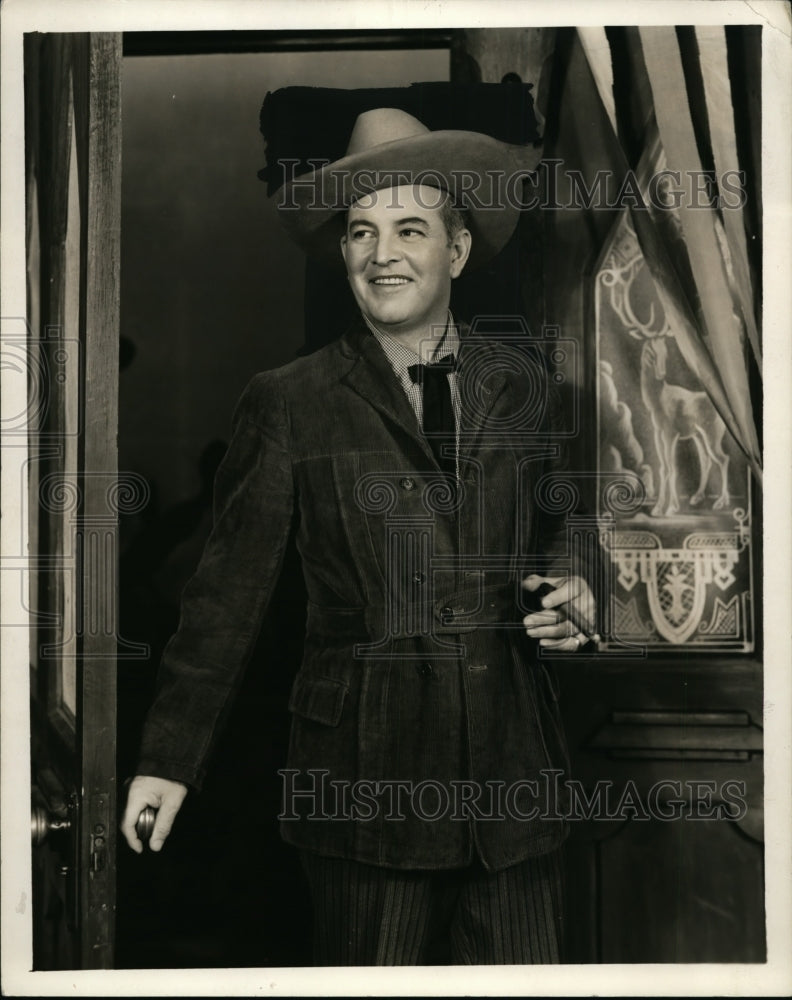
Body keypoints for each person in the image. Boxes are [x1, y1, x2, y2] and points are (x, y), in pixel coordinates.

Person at [121, 107, 600, 966]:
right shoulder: (290, 400)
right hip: (362, 790)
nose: (382, 254)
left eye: (409, 229)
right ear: (342, 253)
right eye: (360, 232)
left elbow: (572, 521)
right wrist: (169, 759)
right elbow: (225, 600)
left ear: (454, 252)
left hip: (514, 782)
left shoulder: (529, 388)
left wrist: (576, 581)